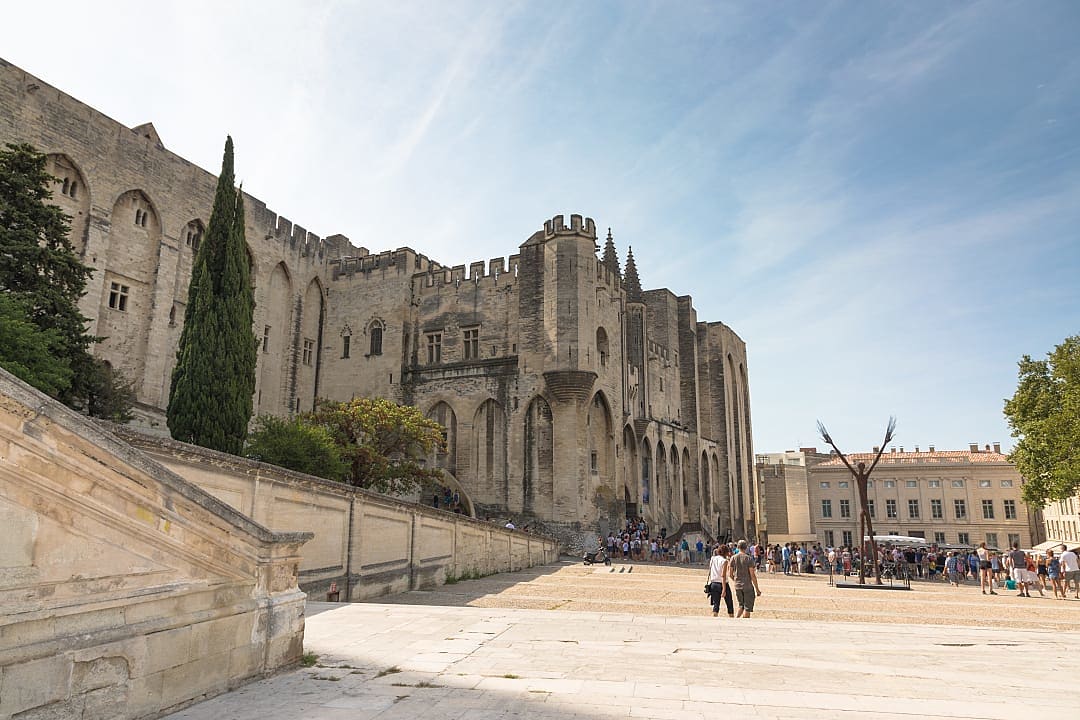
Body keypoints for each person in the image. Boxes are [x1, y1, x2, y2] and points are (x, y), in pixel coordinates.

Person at [725, 540, 762, 618]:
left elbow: (730, 573)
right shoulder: (748, 559)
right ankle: (744, 623)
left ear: (738, 547)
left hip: (738, 586)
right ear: (746, 547)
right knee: (747, 608)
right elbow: (752, 575)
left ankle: (736, 620)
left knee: (741, 606)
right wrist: (757, 589)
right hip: (747, 585)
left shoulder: (733, 558)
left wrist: (736, 580)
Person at [707, 546, 734, 617]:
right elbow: (723, 575)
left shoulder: (713, 559)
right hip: (722, 583)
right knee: (729, 604)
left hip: (713, 583)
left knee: (716, 605)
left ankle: (714, 617)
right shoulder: (724, 561)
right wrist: (724, 589)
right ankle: (731, 618)